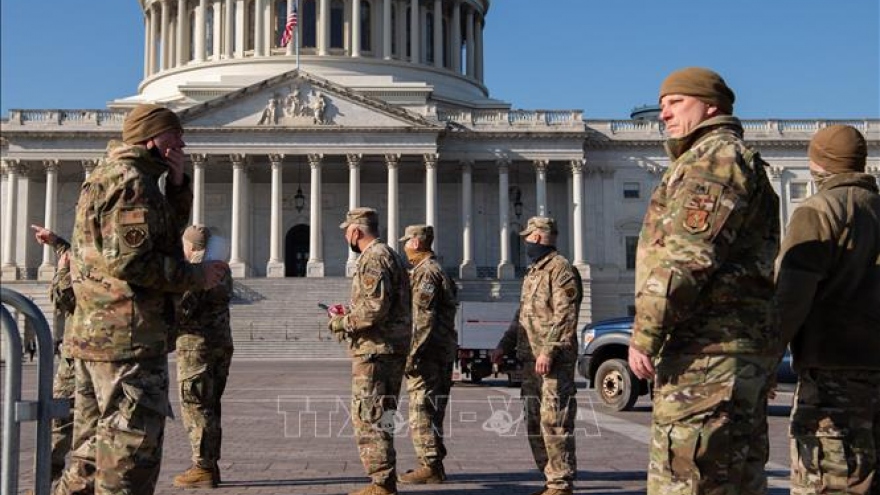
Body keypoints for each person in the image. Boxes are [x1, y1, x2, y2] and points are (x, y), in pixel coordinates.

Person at [54, 103, 227, 495]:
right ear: (152, 137)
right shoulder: (132, 182)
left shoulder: (110, 175)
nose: (182, 141)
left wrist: (178, 185)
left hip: (94, 336)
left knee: (87, 458)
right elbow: (134, 262)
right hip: (127, 339)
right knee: (130, 459)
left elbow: (153, 239)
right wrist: (196, 276)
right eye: (175, 134)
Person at [627, 67, 780, 495]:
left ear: (709, 105)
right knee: (733, 479)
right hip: (730, 351)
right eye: (661, 105)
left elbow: (689, 257)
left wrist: (646, 332)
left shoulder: (714, 159)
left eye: (675, 102)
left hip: (707, 352)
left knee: (687, 481)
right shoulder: (724, 157)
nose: (664, 115)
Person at [775, 125, 880, 495]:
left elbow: (792, 294)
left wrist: (767, 358)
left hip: (832, 373)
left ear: (817, 164)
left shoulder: (819, 209)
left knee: (827, 481)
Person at [491, 216, 582, 495]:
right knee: (534, 423)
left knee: (555, 422)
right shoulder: (533, 273)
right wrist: (504, 345)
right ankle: (550, 480)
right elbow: (523, 317)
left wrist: (548, 350)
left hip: (552, 363)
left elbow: (565, 316)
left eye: (528, 237)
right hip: (531, 361)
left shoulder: (561, 269)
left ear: (540, 238)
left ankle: (561, 484)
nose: (526, 242)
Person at [326, 207, 412, 495]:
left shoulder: (373, 258)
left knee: (369, 416)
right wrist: (352, 311)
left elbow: (375, 308)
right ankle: (384, 480)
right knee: (382, 414)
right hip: (389, 348)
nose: (345, 238)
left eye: (346, 232)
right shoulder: (391, 256)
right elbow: (381, 304)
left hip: (375, 351)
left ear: (355, 231)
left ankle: (381, 483)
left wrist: (342, 322)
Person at [172, 225, 235, 489]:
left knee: (196, 405)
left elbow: (183, 310)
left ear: (191, 246)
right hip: (220, 344)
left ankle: (202, 466)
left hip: (196, 348)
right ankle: (210, 463)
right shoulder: (222, 269)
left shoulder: (197, 272)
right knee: (210, 406)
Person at [396, 225, 458, 485]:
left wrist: (411, 355)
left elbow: (423, 319)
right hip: (439, 351)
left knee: (422, 410)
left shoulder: (426, 273)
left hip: (429, 354)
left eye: (407, 241)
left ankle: (430, 465)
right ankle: (433, 463)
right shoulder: (434, 270)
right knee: (432, 410)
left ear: (417, 243)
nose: (404, 246)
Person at [31, 224, 77, 482]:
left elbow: (64, 299)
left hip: (81, 351)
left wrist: (61, 272)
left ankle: (45, 479)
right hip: (109, 353)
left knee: (61, 418)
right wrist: (56, 241)